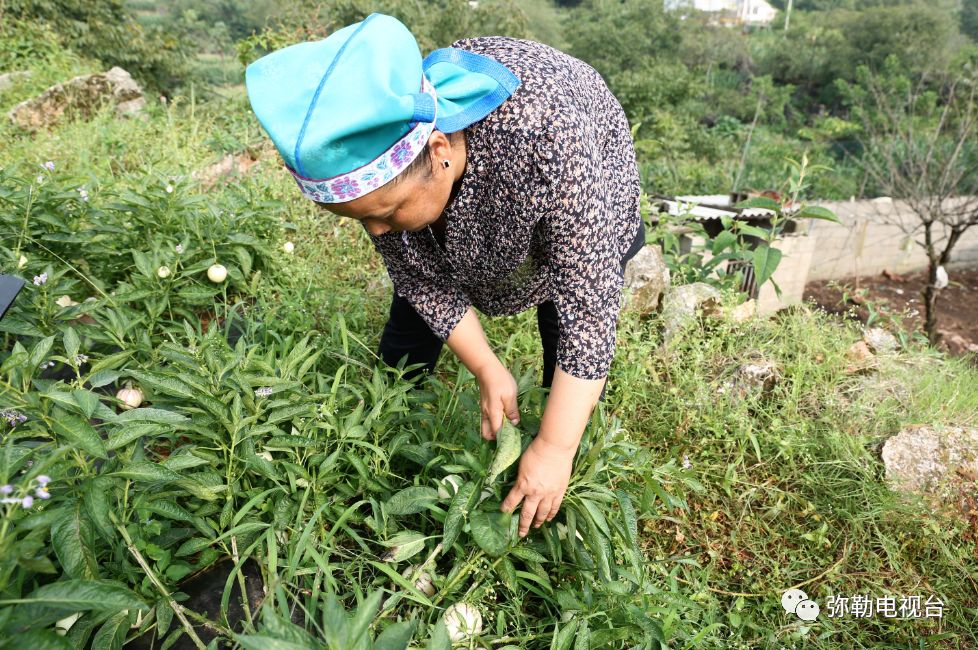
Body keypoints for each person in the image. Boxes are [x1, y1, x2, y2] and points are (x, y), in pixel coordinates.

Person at [245, 13, 645, 540]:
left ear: (438, 152)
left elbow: (588, 314)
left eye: (384, 213)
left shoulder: (550, 140)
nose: (377, 231)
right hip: (480, 169)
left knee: (564, 321)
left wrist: (554, 448)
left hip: (580, 163)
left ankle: (560, 453)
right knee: (411, 303)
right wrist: (486, 367)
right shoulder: (388, 146)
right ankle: (388, 420)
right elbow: (419, 277)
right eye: (362, 219)